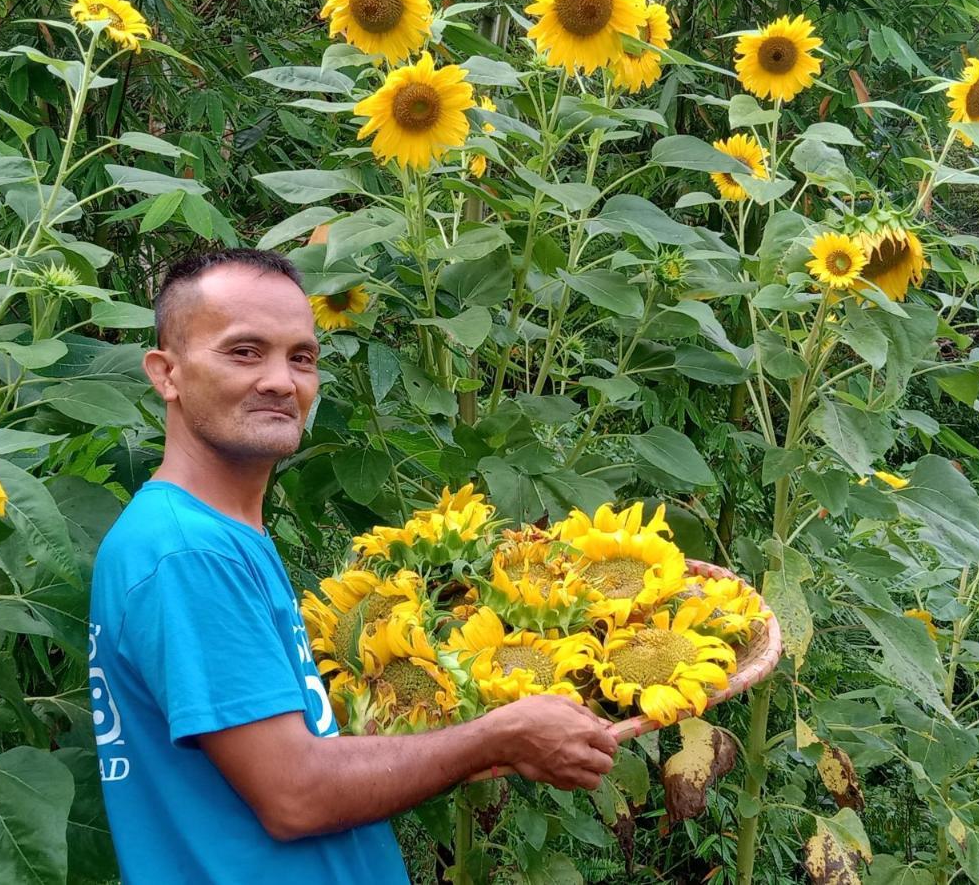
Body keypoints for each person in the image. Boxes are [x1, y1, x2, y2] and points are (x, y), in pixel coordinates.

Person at [88, 247, 618, 884]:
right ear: (165, 373)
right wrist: (496, 736)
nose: (282, 382)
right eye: (244, 351)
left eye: (301, 357)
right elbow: (296, 795)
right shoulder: (186, 554)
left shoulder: (217, 533)